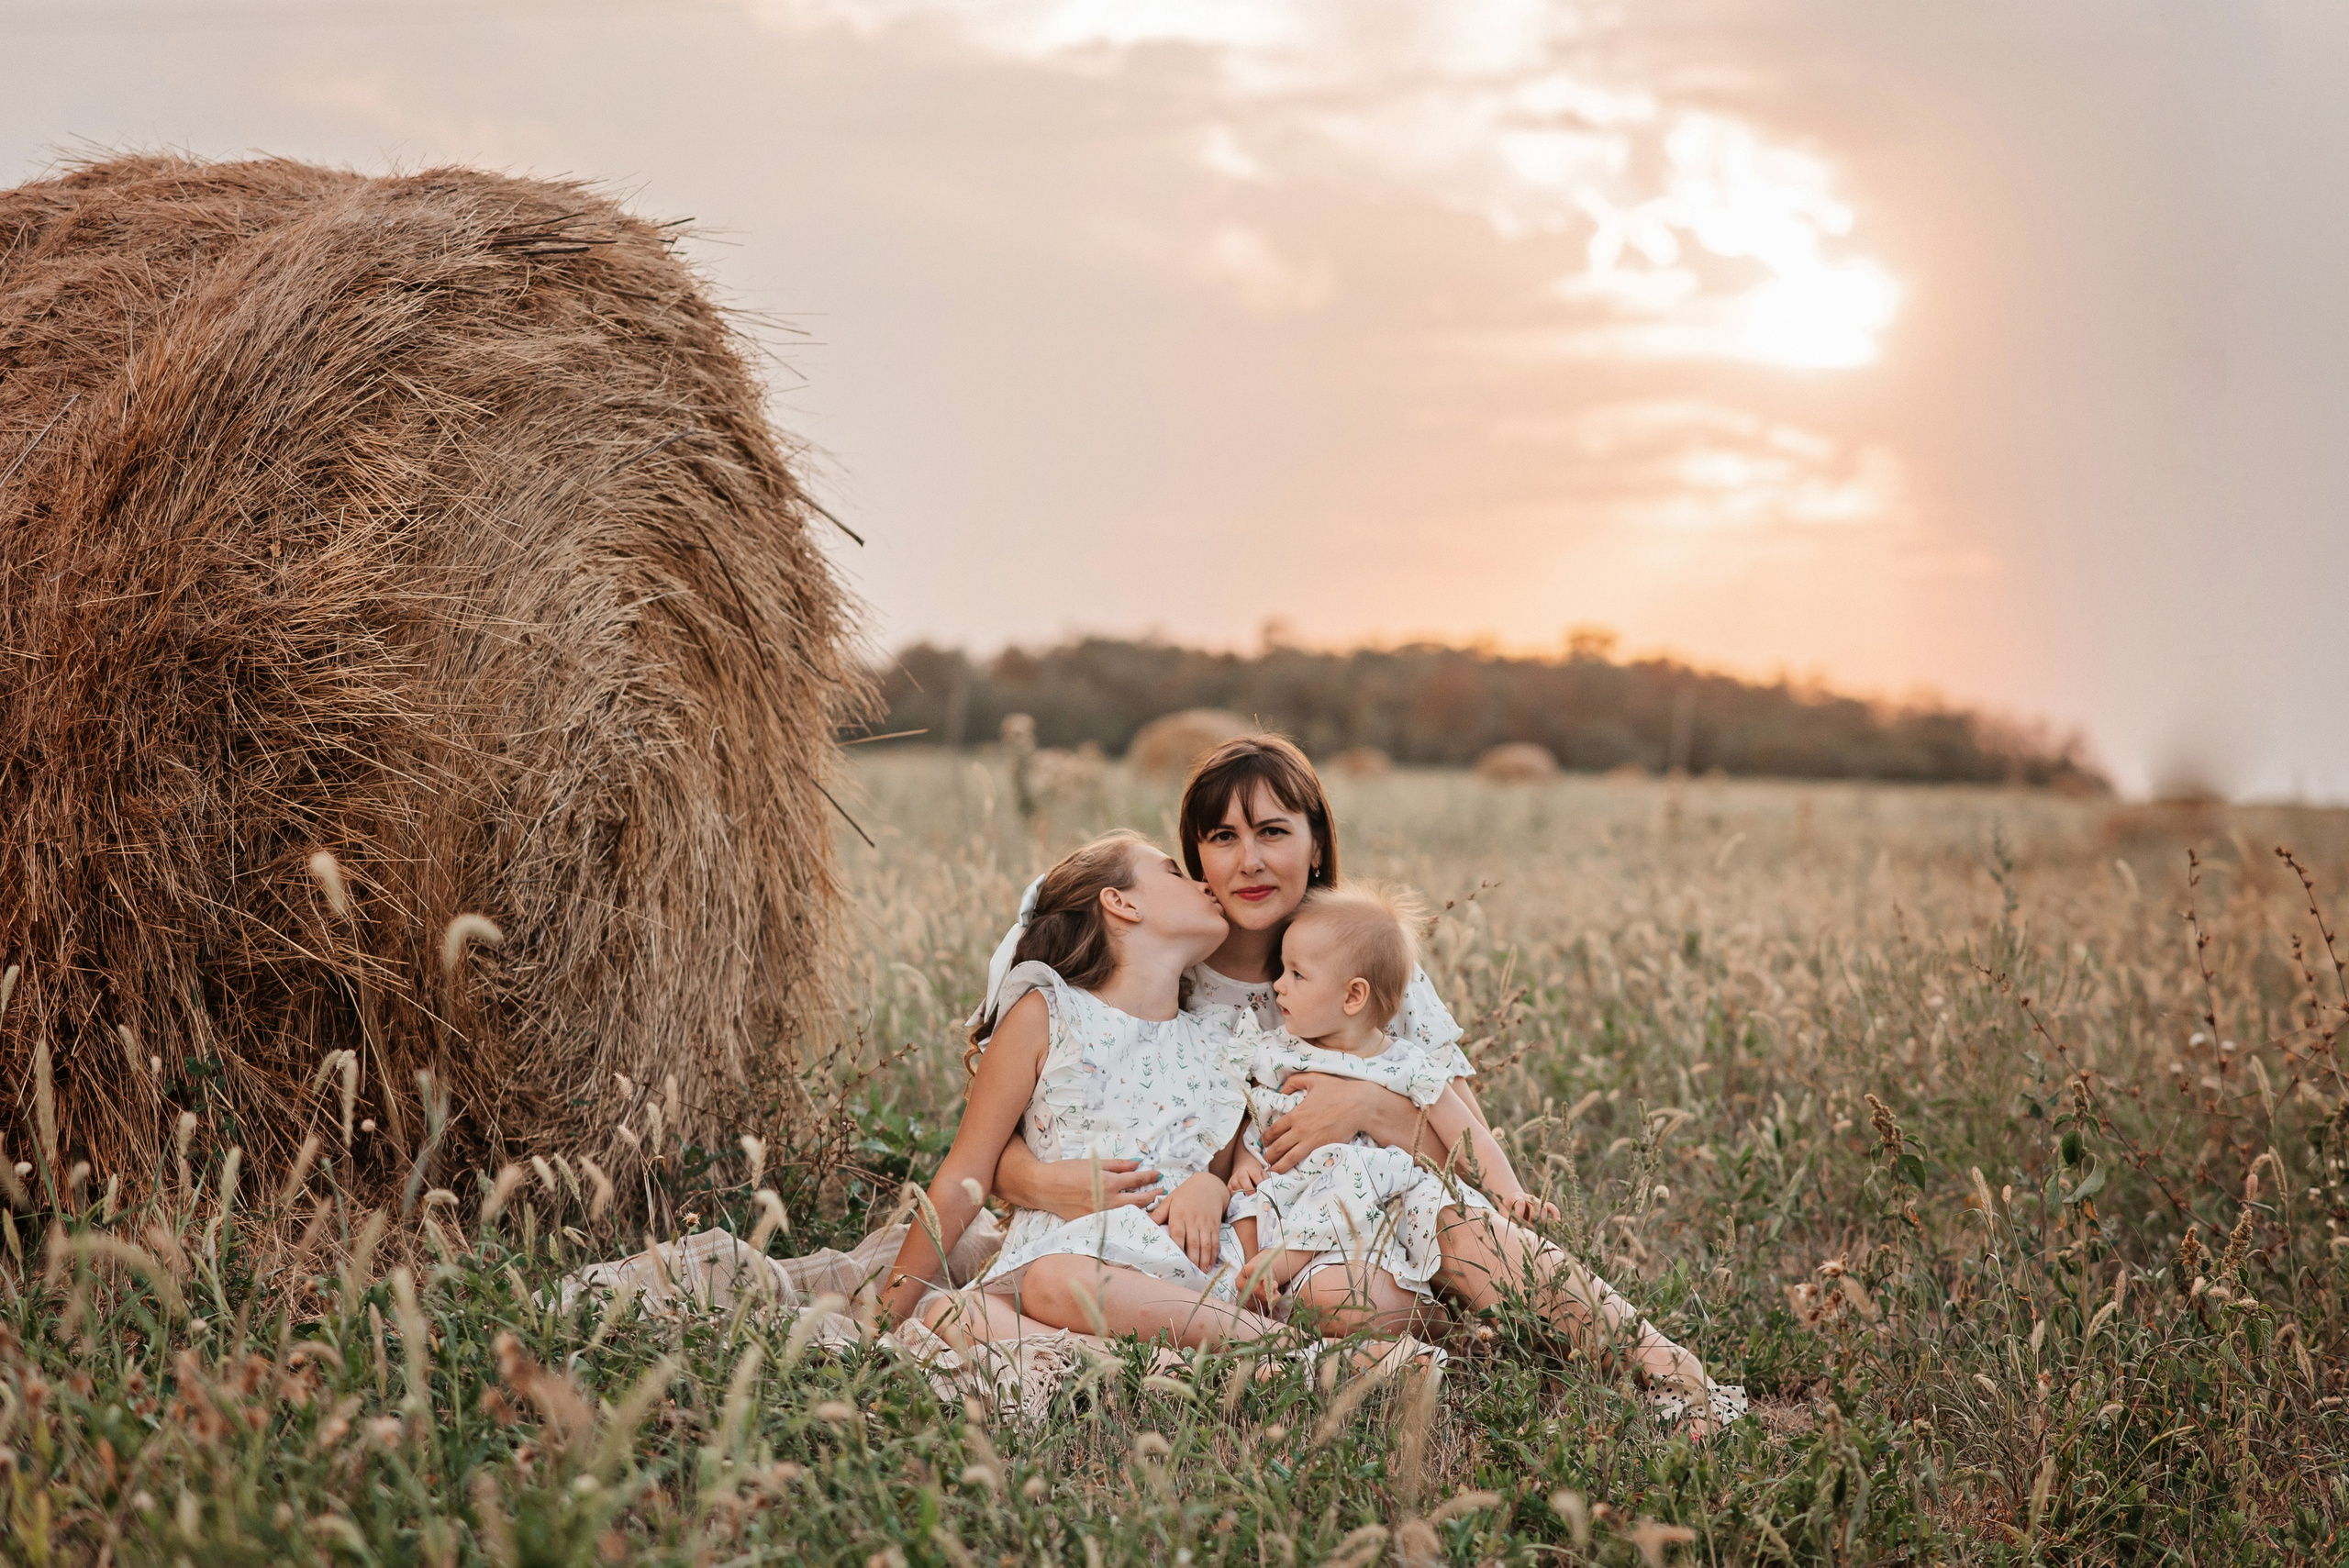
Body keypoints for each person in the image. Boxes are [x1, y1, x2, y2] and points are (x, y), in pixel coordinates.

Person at [991, 736, 1744, 1433]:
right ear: (1195, 858)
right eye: (1223, 837)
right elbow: (1035, 1127)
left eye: (1274, 831)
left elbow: (1459, 1140)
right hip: (1252, 1239)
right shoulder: (1164, 967)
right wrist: (1075, 1185)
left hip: (1382, 1207)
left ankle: (1671, 1373)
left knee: (1459, 1233)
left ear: (1317, 845)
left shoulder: (1366, 957)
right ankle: (1483, 1349)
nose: (1249, 859)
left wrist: (1375, 1108)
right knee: (1351, 1303)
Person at [879, 829, 1438, 1375]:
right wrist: (884, 1316)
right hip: (1074, 1259)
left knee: (1011, 1302)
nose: (1202, 882)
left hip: (1190, 1259)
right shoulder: (1048, 1014)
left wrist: (1212, 1187)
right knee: (964, 1308)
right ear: (1120, 903)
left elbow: (1235, 1166)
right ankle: (1283, 1359)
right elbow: (963, 1177)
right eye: (1174, 871)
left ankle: (1248, 1356)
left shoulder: (1220, 1038)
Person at [1225, 880, 1555, 1336]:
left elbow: (1468, 1136)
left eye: (1297, 975)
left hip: (1365, 1213)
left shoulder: (1404, 1064)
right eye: (1282, 970)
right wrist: (1244, 1161)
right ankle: (1263, 1305)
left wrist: (1511, 1194)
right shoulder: (1275, 1048)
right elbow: (1253, 1113)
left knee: (1361, 1214)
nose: (1278, 986)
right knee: (1240, 1214)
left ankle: (1457, 1322)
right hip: (1285, 1194)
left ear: (1353, 996)